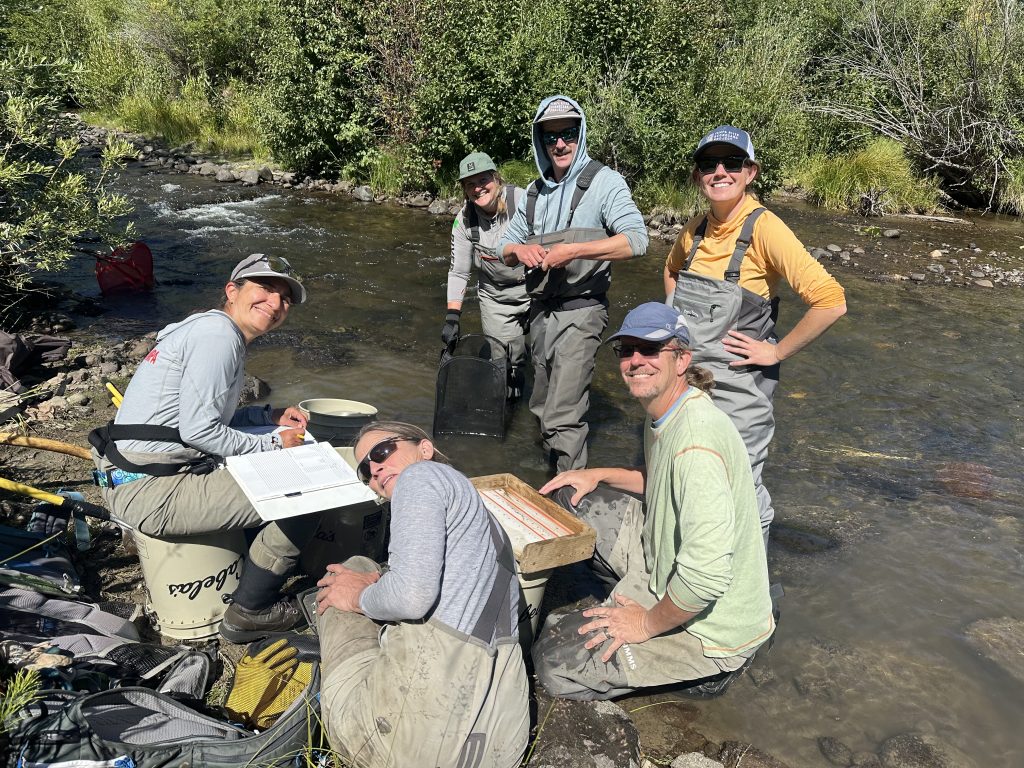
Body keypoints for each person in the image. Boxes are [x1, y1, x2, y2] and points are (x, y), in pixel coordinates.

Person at [532, 302, 774, 700]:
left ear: (682, 359)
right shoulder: (667, 407)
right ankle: (633, 601)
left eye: (650, 349)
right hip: (663, 559)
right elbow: (664, 480)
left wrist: (643, 625)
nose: (636, 360)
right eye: (627, 350)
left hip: (712, 629)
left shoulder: (696, 441)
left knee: (556, 666)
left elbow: (705, 579)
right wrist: (599, 474)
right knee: (571, 498)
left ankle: (704, 673)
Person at [89, 254, 315, 642]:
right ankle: (251, 611)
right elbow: (200, 432)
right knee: (308, 489)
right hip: (151, 491)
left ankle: (249, 564)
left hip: (130, 473)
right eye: (265, 289)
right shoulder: (219, 337)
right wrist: (272, 443)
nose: (275, 304)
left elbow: (193, 420)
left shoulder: (205, 328)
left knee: (270, 468)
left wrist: (266, 415)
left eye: (285, 299)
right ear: (232, 291)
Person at [664, 126, 847, 542]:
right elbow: (671, 270)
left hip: (740, 385)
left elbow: (831, 301)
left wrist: (776, 351)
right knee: (688, 473)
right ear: (698, 176)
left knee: (738, 488)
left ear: (751, 172)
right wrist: (673, 329)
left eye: (732, 163)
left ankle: (752, 596)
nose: (720, 171)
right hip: (689, 381)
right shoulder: (693, 230)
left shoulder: (766, 228)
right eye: (709, 164)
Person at [316, 421, 528, 768]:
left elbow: (412, 597)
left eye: (382, 451)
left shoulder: (420, 477)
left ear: (425, 449)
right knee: (376, 579)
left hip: (395, 742)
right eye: (365, 471)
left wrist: (357, 598)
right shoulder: (484, 521)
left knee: (345, 572)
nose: (375, 469)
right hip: (499, 747)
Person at [499, 94, 647, 472]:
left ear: (580, 134)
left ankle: (570, 494)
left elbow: (636, 240)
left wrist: (574, 251)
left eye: (568, 133)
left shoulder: (605, 182)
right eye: (551, 137)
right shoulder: (533, 193)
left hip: (582, 311)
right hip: (539, 314)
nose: (560, 144)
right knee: (541, 406)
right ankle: (552, 477)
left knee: (564, 413)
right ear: (540, 142)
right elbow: (504, 247)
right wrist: (519, 250)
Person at [442, 152, 530, 396]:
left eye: (483, 181)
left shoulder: (522, 200)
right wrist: (452, 316)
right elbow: (459, 271)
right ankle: (511, 400)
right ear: (464, 190)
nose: (478, 189)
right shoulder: (464, 221)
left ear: (496, 178)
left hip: (536, 289)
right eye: (470, 184)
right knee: (505, 362)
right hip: (496, 296)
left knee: (550, 358)